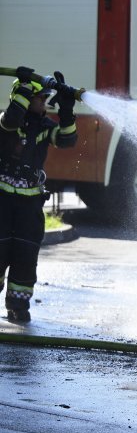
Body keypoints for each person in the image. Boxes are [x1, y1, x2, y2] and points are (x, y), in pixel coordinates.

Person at [0, 67, 77, 322]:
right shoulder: (6, 122)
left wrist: (66, 109)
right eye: (39, 98)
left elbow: (66, 139)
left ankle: (18, 305)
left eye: (45, 99)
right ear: (22, 98)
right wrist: (23, 88)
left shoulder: (44, 126)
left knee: (25, 254)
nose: (43, 103)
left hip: (29, 206)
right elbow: (11, 120)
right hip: (2, 202)